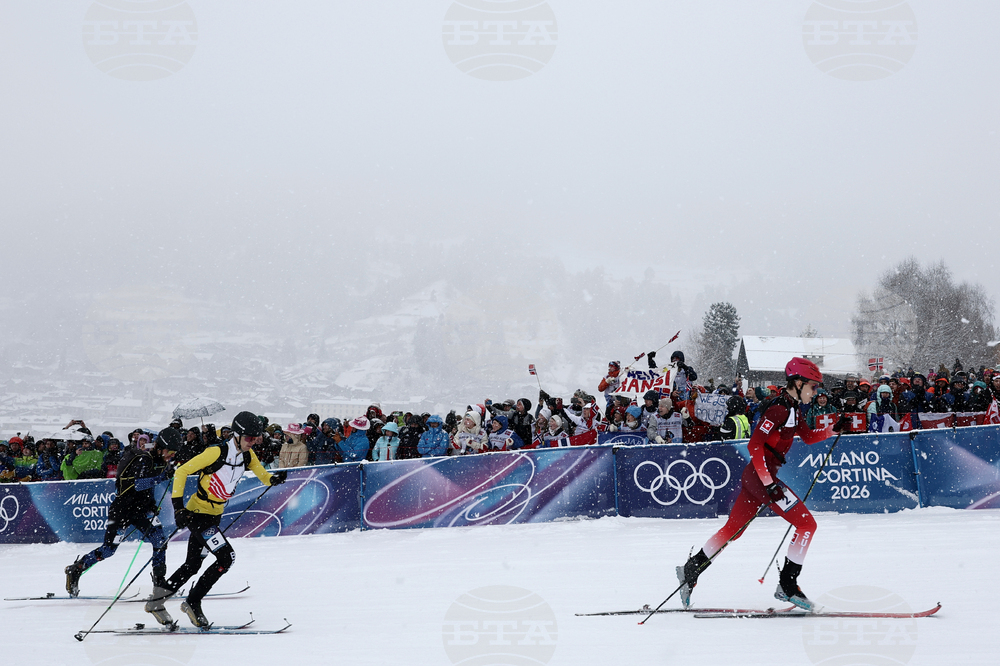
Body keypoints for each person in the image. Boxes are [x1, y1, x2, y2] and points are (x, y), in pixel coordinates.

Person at [675, 358, 847, 612]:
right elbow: (754, 445)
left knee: (733, 530)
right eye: (813, 386)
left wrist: (832, 430)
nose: (816, 392)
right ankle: (788, 585)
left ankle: (691, 569)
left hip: (758, 479)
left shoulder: (793, 409)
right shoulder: (778, 409)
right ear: (798, 383)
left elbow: (809, 437)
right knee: (807, 523)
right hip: (760, 479)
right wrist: (768, 484)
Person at [145, 411, 286, 628]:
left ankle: (157, 601)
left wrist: (273, 479)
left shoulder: (247, 456)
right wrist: (178, 508)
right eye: (249, 438)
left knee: (192, 565)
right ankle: (192, 601)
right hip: (197, 515)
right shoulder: (216, 452)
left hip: (213, 516)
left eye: (255, 438)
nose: (252, 442)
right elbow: (181, 472)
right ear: (237, 435)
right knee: (226, 557)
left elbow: (262, 474)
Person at [65, 429, 179, 623]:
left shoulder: (156, 456)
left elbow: (148, 486)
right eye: (170, 452)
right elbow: (136, 485)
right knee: (108, 551)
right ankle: (76, 569)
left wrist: (151, 502)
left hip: (142, 510)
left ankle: (159, 584)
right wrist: (162, 476)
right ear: (161, 447)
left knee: (160, 540)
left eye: (174, 454)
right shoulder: (142, 458)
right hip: (122, 510)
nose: (171, 456)